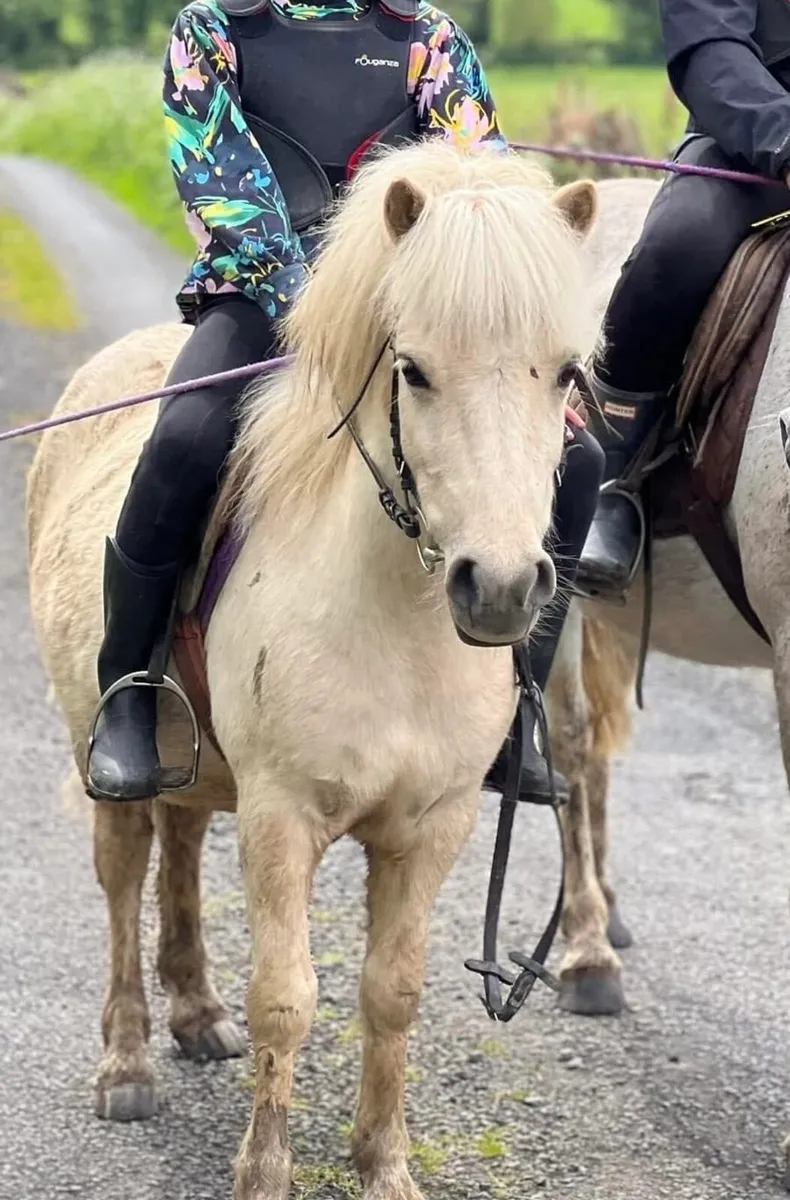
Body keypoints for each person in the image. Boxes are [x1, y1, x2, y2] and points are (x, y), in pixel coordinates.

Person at [86, 0, 605, 804]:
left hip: (418, 312)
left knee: (580, 461)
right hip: (263, 300)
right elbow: (225, 190)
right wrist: (322, 310)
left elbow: (485, 185)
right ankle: (129, 690)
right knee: (182, 442)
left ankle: (515, 708)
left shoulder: (427, 40)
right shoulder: (215, 31)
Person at [577, 0, 790, 598]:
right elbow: (710, 46)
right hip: (750, 142)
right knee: (677, 245)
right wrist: (785, 138)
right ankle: (612, 476)